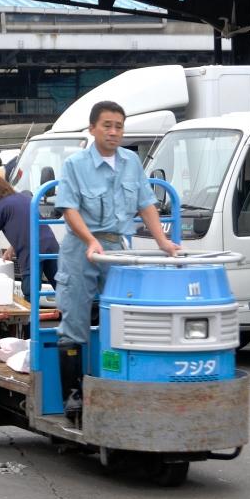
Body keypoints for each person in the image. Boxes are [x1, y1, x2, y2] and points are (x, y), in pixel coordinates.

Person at [55, 100, 180, 419]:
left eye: (119, 126)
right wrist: (90, 240)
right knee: (75, 323)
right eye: (107, 125)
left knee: (125, 318)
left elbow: (146, 204)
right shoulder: (75, 164)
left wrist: (164, 241)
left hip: (117, 250)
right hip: (82, 250)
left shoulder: (130, 162)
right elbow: (68, 209)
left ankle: (121, 388)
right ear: (92, 128)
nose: (113, 131)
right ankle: (73, 398)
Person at [0, 173, 58, 303]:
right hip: (51, 244)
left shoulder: (0, 206)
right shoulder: (24, 198)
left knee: (31, 294)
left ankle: (29, 323)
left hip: (31, 250)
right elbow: (26, 225)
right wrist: (11, 248)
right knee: (61, 287)